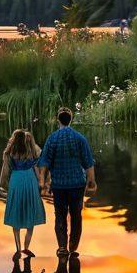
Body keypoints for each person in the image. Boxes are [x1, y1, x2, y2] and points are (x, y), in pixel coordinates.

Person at [38, 107, 96, 258]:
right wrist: (92, 181)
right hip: (77, 183)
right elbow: (88, 162)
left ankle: (62, 247)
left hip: (59, 185)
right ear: (71, 120)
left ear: (58, 120)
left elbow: (44, 162)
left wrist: (42, 181)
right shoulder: (80, 138)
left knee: (60, 215)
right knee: (76, 215)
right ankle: (73, 246)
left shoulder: (52, 138)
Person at [0, 129, 46, 258]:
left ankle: (18, 249)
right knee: (30, 210)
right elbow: (41, 155)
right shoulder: (31, 150)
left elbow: (5, 171)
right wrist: (41, 181)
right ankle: (26, 247)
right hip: (29, 179)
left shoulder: (10, 153)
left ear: (13, 139)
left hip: (16, 180)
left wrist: (2, 186)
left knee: (16, 213)